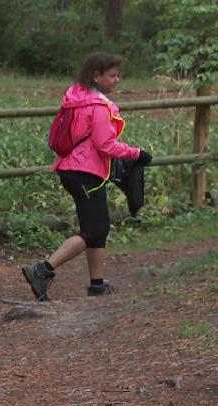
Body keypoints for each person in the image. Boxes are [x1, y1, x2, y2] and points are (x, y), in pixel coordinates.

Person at [22, 52, 152, 301]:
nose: (117, 80)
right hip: (85, 172)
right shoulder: (98, 107)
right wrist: (137, 153)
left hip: (73, 169)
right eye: (112, 75)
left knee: (96, 227)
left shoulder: (77, 98)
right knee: (95, 230)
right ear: (96, 76)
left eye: (117, 75)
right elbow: (105, 145)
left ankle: (97, 283)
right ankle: (42, 270)